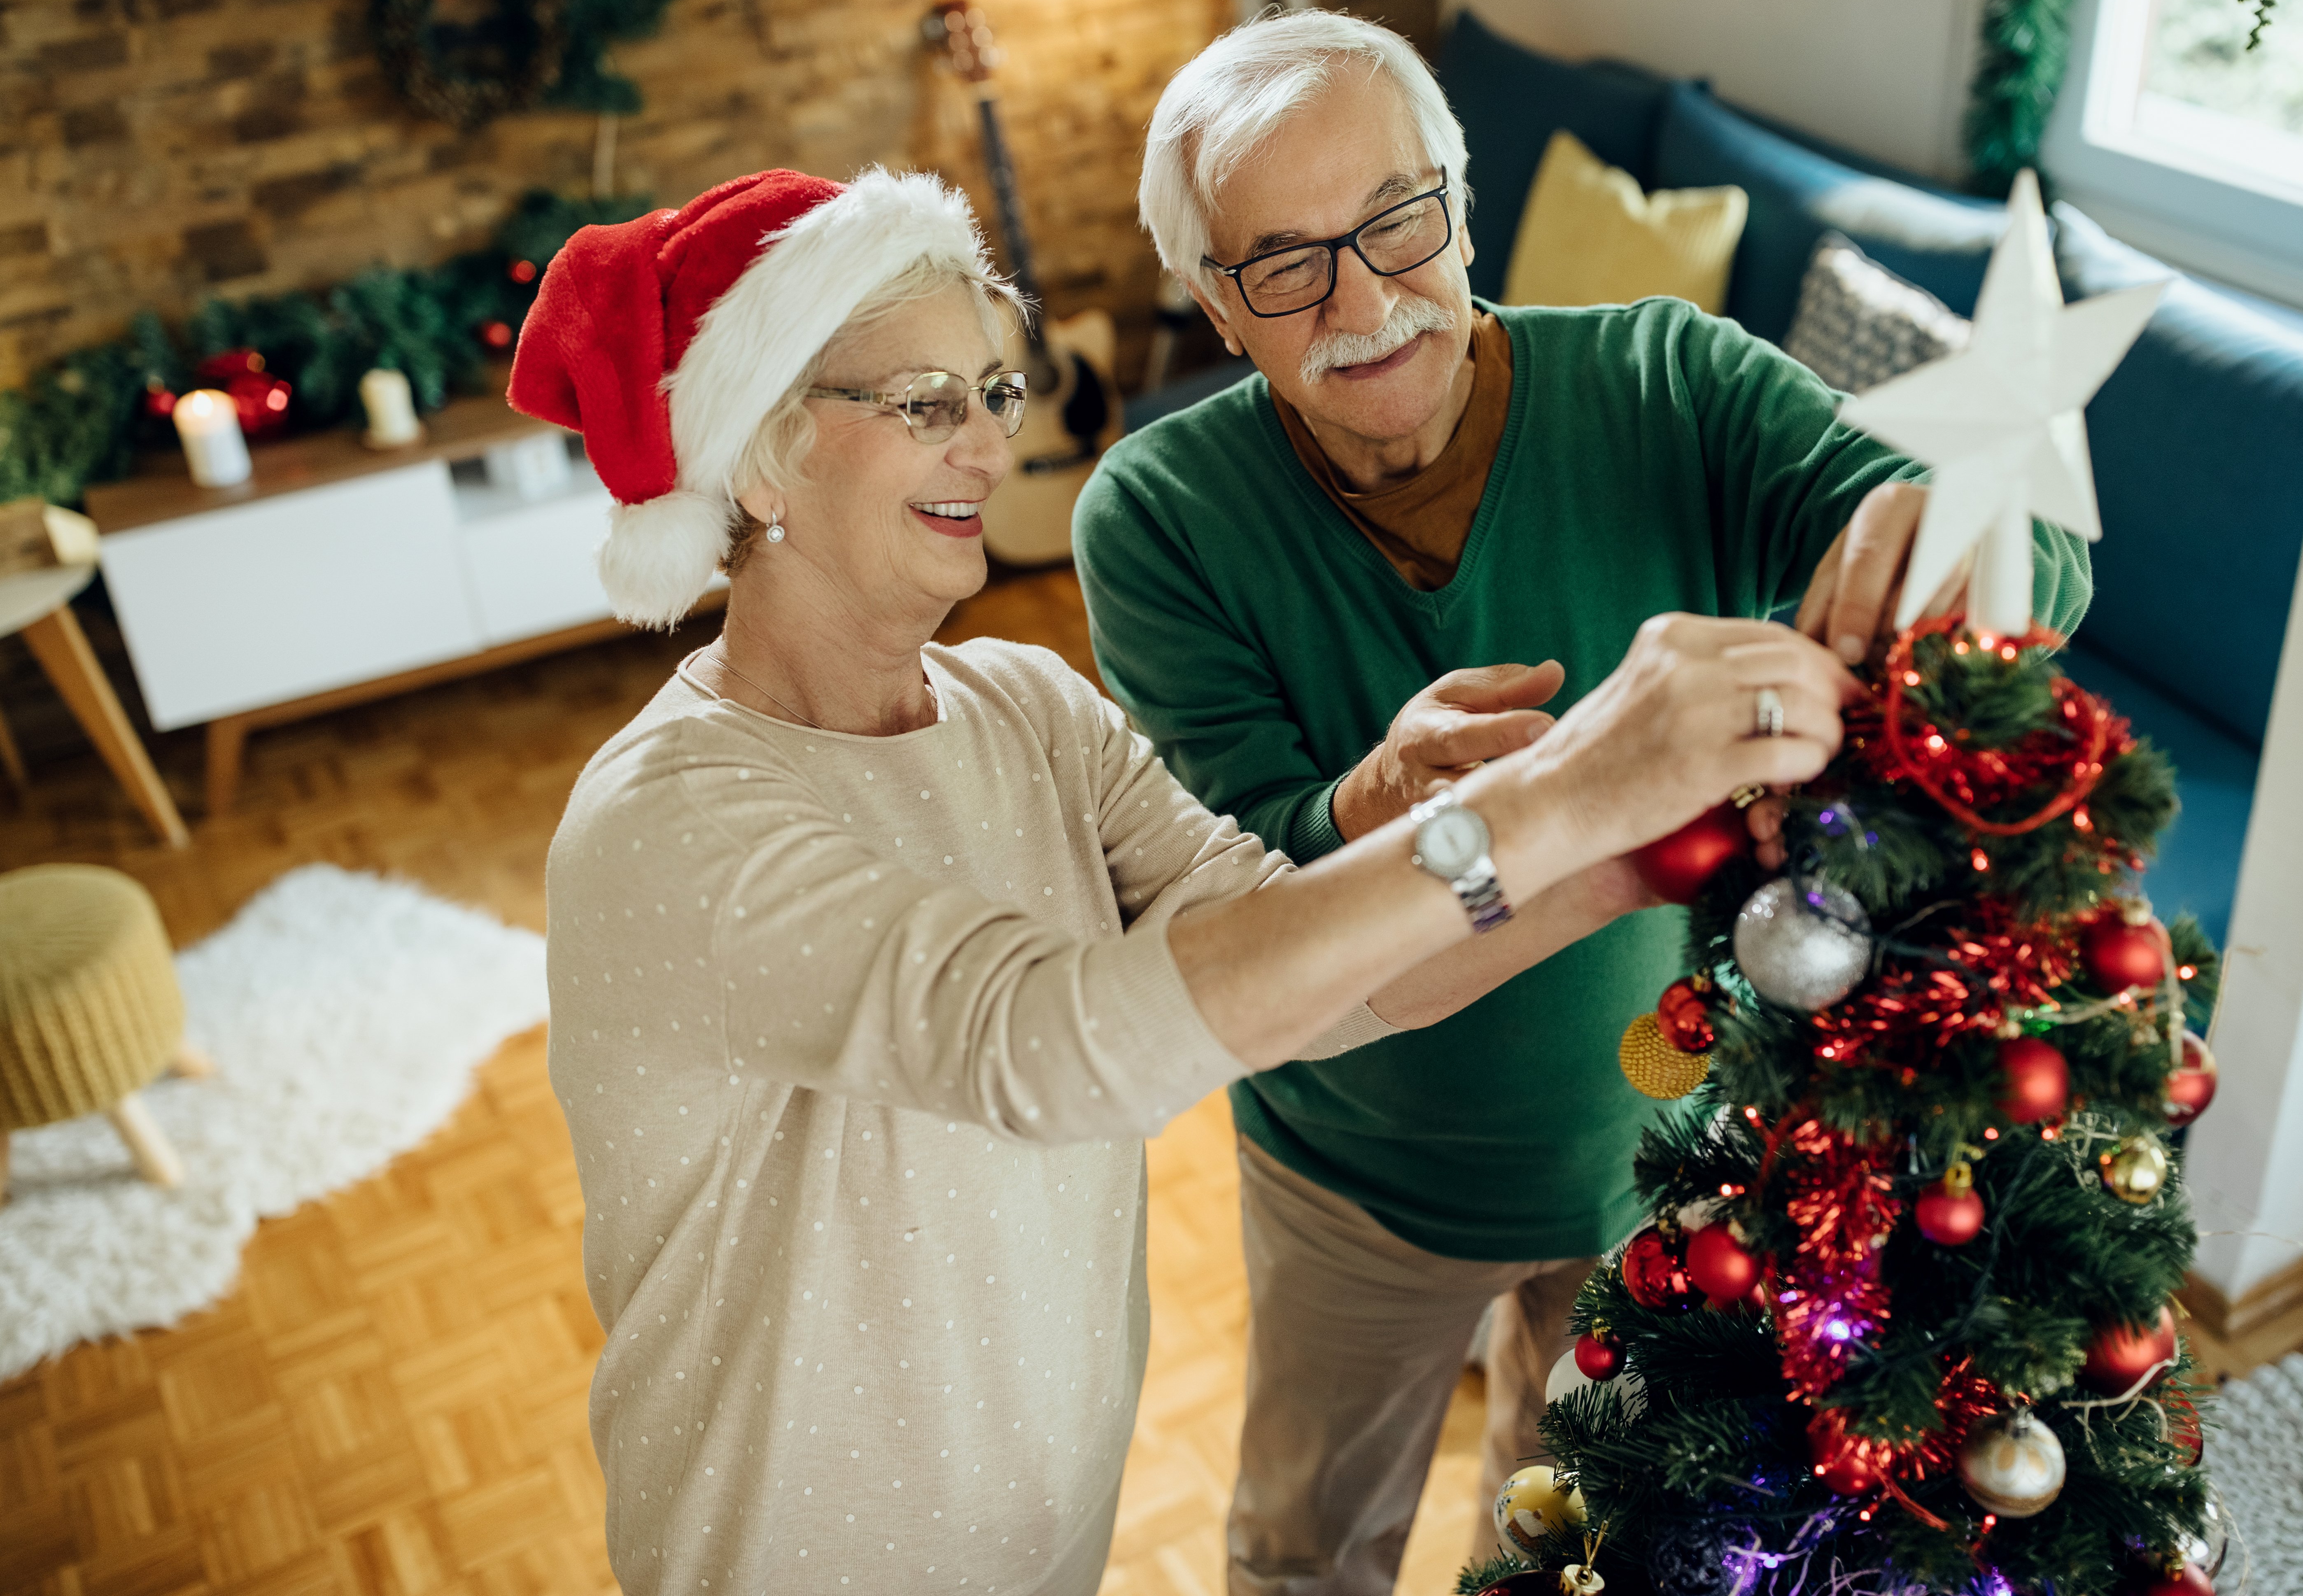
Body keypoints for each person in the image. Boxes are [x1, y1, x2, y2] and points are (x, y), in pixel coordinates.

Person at [513, 165, 1861, 1595]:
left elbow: (1317, 970)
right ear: (759, 459)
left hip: (1051, 1533)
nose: (982, 444)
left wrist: (1614, 870)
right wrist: (1561, 792)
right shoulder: (669, 824)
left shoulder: (1028, 710)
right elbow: (1057, 1047)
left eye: (995, 394)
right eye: (925, 405)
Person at [1072, 11, 2094, 1595]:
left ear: (1462, 200)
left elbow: (2032, 569)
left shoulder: (1670, 379)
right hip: (1353, 1180)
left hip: (1654, 1166)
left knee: (1567, 1537)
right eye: (1284, 263)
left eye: (1398, 220)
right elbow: (1225, 913)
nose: (1365, 297)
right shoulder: (1154, 515)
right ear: (1215, 300)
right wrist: (1361, 802)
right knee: (1303, 1544)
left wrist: (1946, 529)